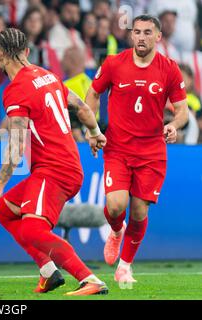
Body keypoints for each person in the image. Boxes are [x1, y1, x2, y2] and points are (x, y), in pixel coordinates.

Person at [0, 28, 108, 296]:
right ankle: (49, 272)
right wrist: (95, 133)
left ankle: (90, 279)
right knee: (5, 210)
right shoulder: (48, 76)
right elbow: (82, 108)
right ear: (27, 51)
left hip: (54, 170)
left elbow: (16, 145)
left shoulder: (16, 90)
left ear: (0, 55)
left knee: (31, 228)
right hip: (65, 165)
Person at [85, 15, 189, 283]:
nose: (141, 37)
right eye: (137, 32)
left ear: (158, 37)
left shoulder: (169, 69)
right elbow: (93, 93)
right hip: (118, 148)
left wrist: (174, 125)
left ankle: (125, 265)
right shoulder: (113, 64)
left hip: (152, 151)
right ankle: (116, 232)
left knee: (140, 211)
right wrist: (92, 128)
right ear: (131, 36)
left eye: (147, 32)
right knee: (116, 205)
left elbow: (182, 111)